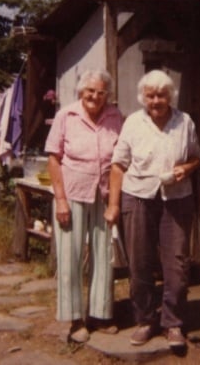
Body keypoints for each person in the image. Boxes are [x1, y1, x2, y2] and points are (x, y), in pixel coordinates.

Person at [104, 69, 200, 348]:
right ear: (143, 98)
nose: (156, 100)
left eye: (161, 94)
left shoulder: (185, 122)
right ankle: (145, 320)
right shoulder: (133, 122)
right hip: (137, 197)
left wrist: (186, 168)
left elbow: (197, 157)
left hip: (178, 198)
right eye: (151, 95)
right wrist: (113, 206)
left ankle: (173, 324)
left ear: (170, 96)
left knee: (178, 264)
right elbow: (118, 165)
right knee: (140, 262)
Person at [44, 69, 124, 343]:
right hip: (72, 194)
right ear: (81, 91)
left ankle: (100, 315)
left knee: (103, 256)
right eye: (90, 91)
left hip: (103, 194)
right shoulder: (66, 116)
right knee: (71, 256)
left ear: (107, 95)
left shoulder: (116, 117)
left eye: (101, 92)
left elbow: (119, 162)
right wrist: (61, 200)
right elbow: (54, 159)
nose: (95, 96)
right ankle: (75, 319)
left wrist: (115, 202)